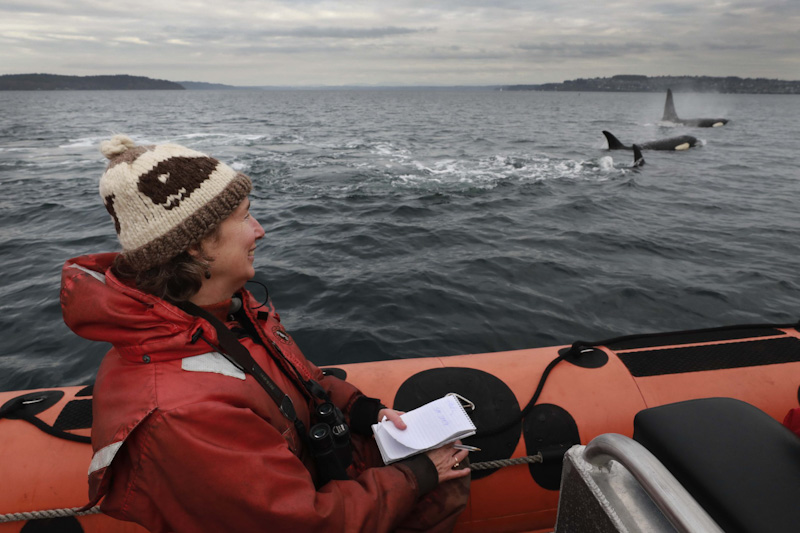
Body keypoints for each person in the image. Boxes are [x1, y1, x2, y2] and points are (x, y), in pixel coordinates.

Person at [60, 135, 471, 532]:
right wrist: (417, 476)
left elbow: (299, 377)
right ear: (197, 245)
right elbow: (304, 523)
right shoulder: (183, 413)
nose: (260, 230)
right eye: (244, 216)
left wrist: (363, 411)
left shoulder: (225, 315)